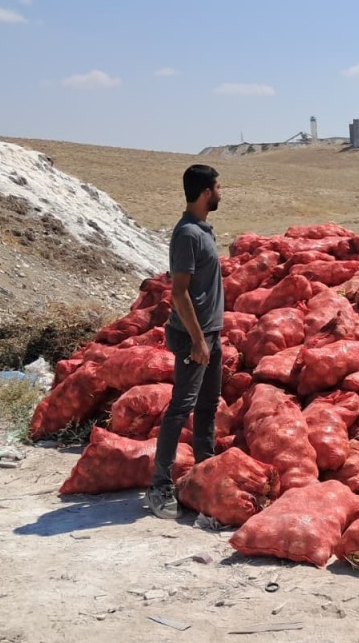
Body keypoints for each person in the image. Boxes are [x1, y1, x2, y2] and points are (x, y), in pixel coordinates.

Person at [148, 164, 225, 519]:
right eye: (218, 188)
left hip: (210, 334)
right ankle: (160, 487)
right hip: (193, 337)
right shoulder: (187, 235)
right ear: (206, 192)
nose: (222, 193)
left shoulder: (203, 231)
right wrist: (197, 340)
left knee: (208, 406)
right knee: (181, 407)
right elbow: (178, 294)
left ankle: (204, 473)